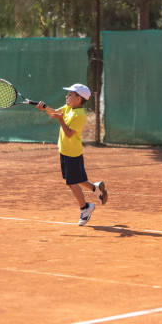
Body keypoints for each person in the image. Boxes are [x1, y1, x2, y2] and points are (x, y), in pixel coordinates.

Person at [36, 83, 108, 226]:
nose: (67, 96)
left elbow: (68, 133)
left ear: (79, 99)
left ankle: (85, 208)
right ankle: (96, 188)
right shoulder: (69, 107)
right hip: (64, 151)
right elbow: (55, 113)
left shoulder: (79, 115)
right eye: (67, 93)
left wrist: (60, 119)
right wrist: (44, 108)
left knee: (71, 183)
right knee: (78, 179)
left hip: (72, 154)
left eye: (70, 94)